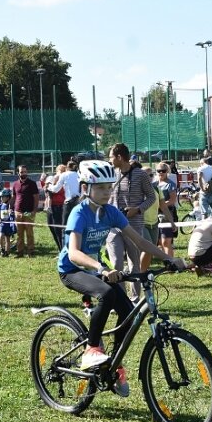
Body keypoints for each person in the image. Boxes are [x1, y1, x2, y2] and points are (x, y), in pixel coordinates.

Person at [57, 160, 186, 397]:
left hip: (97, 269)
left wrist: (168, 258)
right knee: (106, 293)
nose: (106, 192)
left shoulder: (111, 212)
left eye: (109, 187)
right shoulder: (80, 212)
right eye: (100, 188)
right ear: (86, 188)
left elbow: (141, 241)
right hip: (73, 269)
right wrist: (101, 267)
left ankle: (113, 366)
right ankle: (92, 349)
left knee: (129, 314)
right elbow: (74, 253)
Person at [107, 143, 157, 301]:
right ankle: (121, 299)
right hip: (113, 227)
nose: (109, 160)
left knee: (134, 263)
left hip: (133, 225)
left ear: (119, 157)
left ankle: (134, 298)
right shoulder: (111, 174)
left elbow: (151, 197)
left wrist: (137, 209)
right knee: (116, 263)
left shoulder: (140, 175)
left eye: (111, 157)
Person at [140, 166, 174, 271]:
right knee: (148, 249)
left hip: (154, 224)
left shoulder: (157, 189)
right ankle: (140, 272)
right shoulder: (137, 190)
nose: (150, 177)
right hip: (141, 224)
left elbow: (163, 207)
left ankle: (143, 274)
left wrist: (172, 222)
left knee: (152, 250)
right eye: (146, 175)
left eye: (151, 175)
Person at [11, 164, 39, 258]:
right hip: (18, 211)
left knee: (29, 232)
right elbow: (14, 197)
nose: (24, 173)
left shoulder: (32, 184)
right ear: (18, 173)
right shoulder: (15, 184)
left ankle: (31, 251)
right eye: (22, 172)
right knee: (19, 233)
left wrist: (34, 211)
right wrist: (10, 207)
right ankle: (20, 251)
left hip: (29, 212)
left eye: (25, 172)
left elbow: (36, 197)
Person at [156, 162, 178, 256]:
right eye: (159, 171)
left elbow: (172, 200)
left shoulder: (170, 184)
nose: (161, 173)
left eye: (163, 171)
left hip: (167, 214)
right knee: (160, 241)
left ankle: (171, 262)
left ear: (167, 171)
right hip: (155, 214)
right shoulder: (153, 184)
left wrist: (161, 205)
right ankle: (166, 261)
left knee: (166, 241)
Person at [50, 160, 81, 225]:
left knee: (65, 224)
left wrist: (50, 186)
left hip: (69, 202)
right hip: (79, 201)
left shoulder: (64, 175)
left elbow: (55, 189)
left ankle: (65, 234)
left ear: (67, 168)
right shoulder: (79, 175)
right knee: (77, 222)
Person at [44, 164, 66, 251]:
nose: (59, 174)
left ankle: (62, 250)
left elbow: (57, 190)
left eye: (62, 172)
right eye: (59, 171)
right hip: (51, 207)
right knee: (51, 226)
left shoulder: (64, 182)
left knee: (58, 229)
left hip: (60, 207)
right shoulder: (52, 180)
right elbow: (46, 189)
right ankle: (60, 248)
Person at [0, 188, 16, 257]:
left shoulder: (10, 206)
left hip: (8, 225)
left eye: (2, 197)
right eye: (1, 197)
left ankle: (7, 252)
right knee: (1, 236)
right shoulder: (0, 206)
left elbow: (13, 214)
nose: (1, 198)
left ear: (7, 197)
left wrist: (12, 213)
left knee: (7, 238)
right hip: (2, 224)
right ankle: (2, 249)